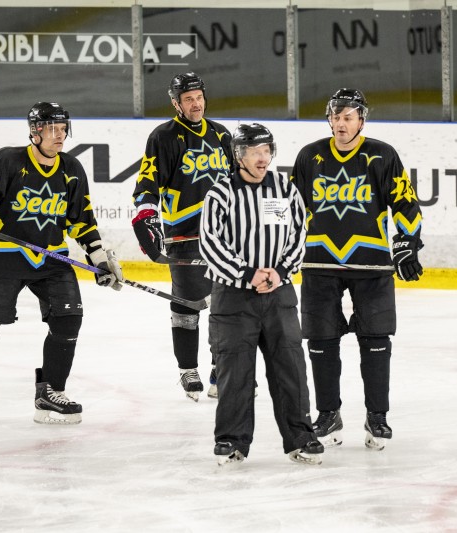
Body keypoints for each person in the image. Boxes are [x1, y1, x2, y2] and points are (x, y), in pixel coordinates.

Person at [0, 101, 123, 425]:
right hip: (5, 257)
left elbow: (81, 221)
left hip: (51, 259)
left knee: (69, 319)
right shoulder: (8, 161)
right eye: (52, 128)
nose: (59, 135)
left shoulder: (72, 168)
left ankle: (50, 392)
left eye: (63, 128)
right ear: (35, 132)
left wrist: (99, 257)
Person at [290, 88, 424, 451]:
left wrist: (407, 242)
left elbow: (405, 202)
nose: (341, 123)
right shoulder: (310, 156)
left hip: (372, 262)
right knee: (320, 339)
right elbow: (290, 210)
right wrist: (278, 250)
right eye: (336, 117)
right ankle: (328, 413)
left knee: (376, 339)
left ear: (361, 120)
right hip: (319, 262)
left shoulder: (382, 155)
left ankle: (377, 416)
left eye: (348, 117)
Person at [200, 123, 323, 466]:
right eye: (255, 151)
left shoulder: (284, 188)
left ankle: (301, 437)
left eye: (267, 150)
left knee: (291, 368)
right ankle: (231, 440)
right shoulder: (221, 193)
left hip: (279, 295)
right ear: (239, 155)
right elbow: (210, 242)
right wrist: (246, 274)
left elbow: (299, 234)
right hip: (233, 297)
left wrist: (280, 271)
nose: (262, 158)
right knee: (235, 371)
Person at [131, 72, 232, 402]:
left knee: (226, 307)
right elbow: (147, 182)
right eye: (188, 99)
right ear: (176, 103)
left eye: (199, 97)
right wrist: (147, 215)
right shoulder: (164, 137)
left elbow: (240, 183)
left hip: (224, 236)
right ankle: (188, 369)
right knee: (187, 307)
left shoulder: (221, 134)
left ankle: (221, 367)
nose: (196, 104)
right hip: (184, 236)